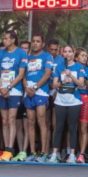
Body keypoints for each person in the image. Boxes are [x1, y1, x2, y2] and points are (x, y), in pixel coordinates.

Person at [48, 45, 87, 163]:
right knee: (58, 127)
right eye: (65, 51)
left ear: (73, 53)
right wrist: (62, 81)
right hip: (60, 100)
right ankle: (54, 154)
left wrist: (71, 76)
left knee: (72, 127)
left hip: (74, 100)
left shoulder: (79, 66)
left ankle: (72, 155)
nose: (67, 54)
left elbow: (81, 84)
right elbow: (54, 84)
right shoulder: (59, 67)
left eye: (70, 51)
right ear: (62, 53)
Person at [0, 31, 27, 162]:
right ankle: (5, 150)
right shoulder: (1, 52)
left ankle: (10, 150)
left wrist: (8, 87)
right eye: (3, 38)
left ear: (13, 40)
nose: (4, 40)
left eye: (6, 38)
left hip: (14, 90)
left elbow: (21, 75)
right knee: (4, 120)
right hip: (1, 89)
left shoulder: (21, 53)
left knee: (11, 119)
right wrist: (1, 87)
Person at [24, 34, 53, 162]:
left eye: (38, 41)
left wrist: (35, 87)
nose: (35, 43)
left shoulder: (47, 56)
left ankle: (43, 153)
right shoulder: (27, 57)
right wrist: (26, 87)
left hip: (41, 92)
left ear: (42, 44)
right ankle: (32, 152)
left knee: (42, 122)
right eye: (33, 41)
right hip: (28, 92)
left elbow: (47, 74)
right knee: (30, 122)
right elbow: (23, 75)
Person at [76, 48, 88, 163]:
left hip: (85, 98)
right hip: (72, 98)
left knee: (83, 127)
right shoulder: (71, 67)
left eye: (86, 55)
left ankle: (82, 154)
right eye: (82, 55)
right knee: (73, 127)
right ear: (76, 58)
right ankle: (71, 152)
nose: (85, 57)